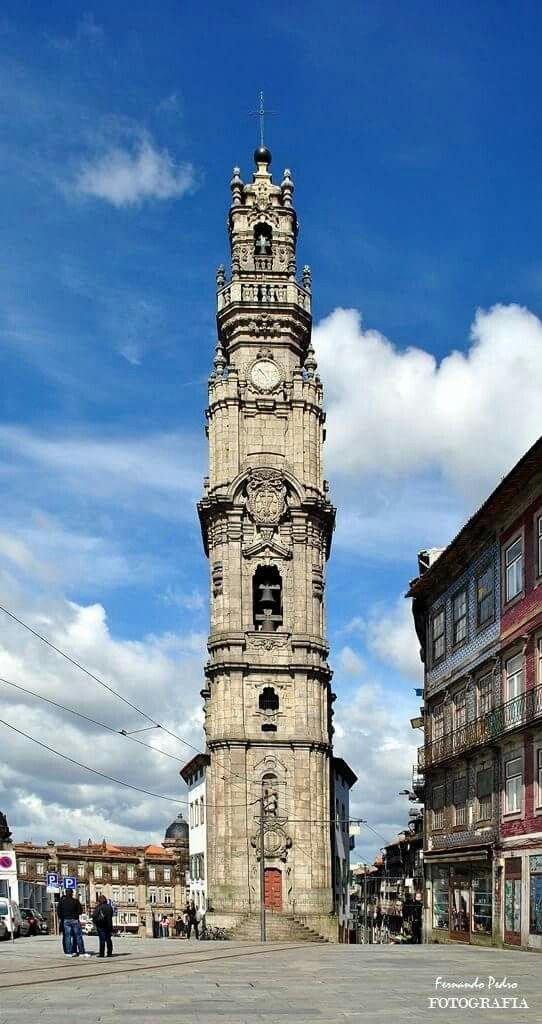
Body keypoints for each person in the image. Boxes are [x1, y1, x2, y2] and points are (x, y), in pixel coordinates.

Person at [58, 890, 89, 958]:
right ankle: (81, 952)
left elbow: (59, 912)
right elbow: (80, 911)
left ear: (66, 894)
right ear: (72, 894)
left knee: (67, 937)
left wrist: (63, 916)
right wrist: (75, 914)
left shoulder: (62, 902)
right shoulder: (75, 901)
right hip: (74, 919)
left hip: (66, 920)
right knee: (78, 936)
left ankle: (69, 952)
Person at [92, 894, 113, 958]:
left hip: (100, 925)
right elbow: (111, 915)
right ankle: (109, 953)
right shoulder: (109, 907)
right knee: (108, 939)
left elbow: (94, 916)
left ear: (99, 900)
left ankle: (102, 953)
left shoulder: (98, 907)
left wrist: (95, 922)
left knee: (102, 940)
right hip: (108, 925)